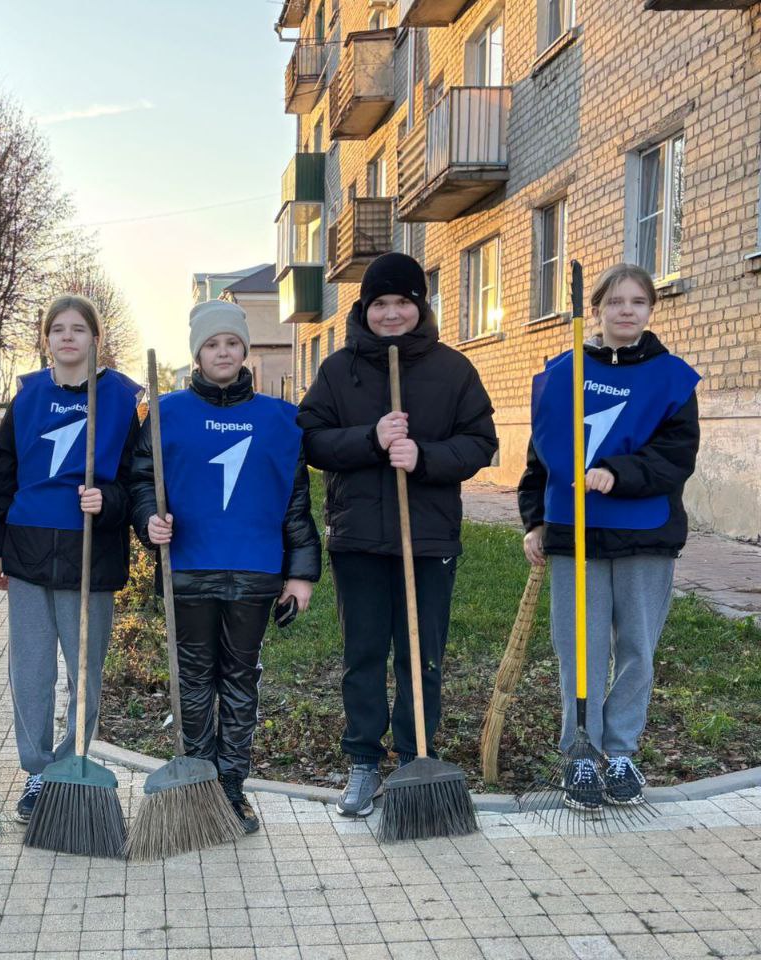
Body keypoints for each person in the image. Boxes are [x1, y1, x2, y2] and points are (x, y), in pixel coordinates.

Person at [297, 252, 497, 817]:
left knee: (421, 656)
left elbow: (481, 442)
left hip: (428, 539)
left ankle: (415, 758)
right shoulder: (339, 370)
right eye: (379, 303)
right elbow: (311, 441)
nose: (390, 313)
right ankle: (363, 761)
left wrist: (425, 456)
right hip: (358, 538)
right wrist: (371, 439)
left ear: (419, 305)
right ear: (365, 308)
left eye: (401, 302)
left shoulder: (452, 370)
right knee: (362, 654)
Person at [130, 300, 320, 833]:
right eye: (212, 344)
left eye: (232, 343)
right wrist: (150, 520)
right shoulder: (166, 414)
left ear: (245, 351)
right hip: (189, 568)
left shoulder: (280, 421)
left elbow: (295, 502)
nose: (222, 352)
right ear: (197, 352)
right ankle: (198, 785)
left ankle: (232, 791)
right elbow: (142, 481)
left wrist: (300, 573)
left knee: (241, 681)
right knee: (193, 680)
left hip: (255, 572)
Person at [519, 263, 699, 810]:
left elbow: (675, 456)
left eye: (638, 302)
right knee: (581, 651)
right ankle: (581, 753)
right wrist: (535, 518)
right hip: (577, 534)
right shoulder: (561, 374)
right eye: (615, 301)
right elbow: (540, 455)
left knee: (637, 650)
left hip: (646, 535)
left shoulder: (672, 377)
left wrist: (618, 473)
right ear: (596, 309)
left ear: (650, 310)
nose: (626, 311)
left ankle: (620, 751)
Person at [0, 295, 141, 823]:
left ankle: (73, 761)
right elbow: (2, 471)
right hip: (27, 551)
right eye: (58, 329)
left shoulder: (121, 399)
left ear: (96, 339)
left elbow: (138, 479)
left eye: (79, 329)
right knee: (30, 670)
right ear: (46, 339)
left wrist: (110, 502)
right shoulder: (26, 398)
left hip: (90, 555)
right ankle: (35, 770)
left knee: (84, 670)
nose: (68, 337)